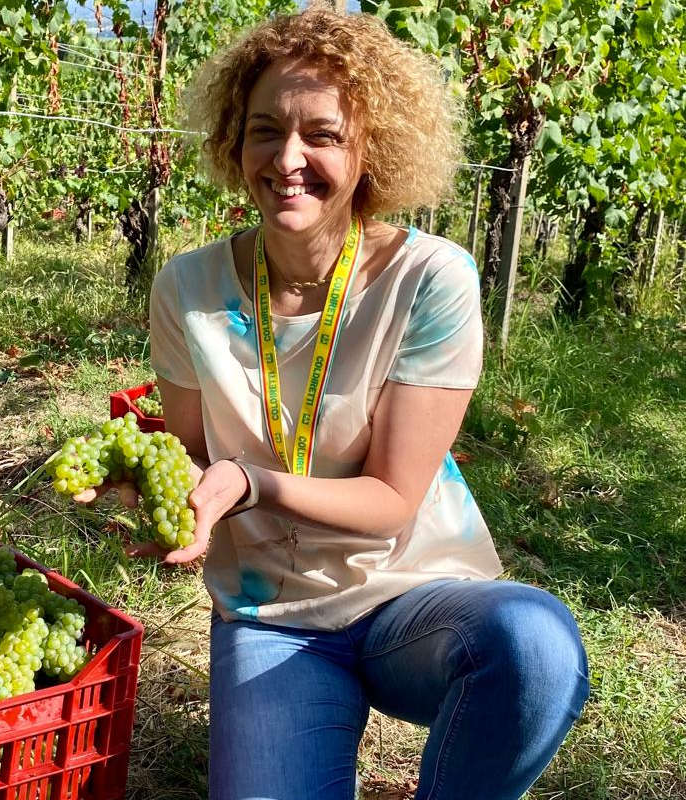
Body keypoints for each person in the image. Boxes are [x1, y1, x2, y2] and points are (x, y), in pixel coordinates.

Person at [76, 9, 589, 800]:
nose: (288, 159)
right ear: (231, 141)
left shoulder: (428, 280)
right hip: (269, 618)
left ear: (368, 151)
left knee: (536, 647)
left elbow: (390, 501)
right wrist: (153, 493)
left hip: (407, 597)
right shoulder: (187, 287)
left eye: (322, 134)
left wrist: (252, 483)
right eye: (264, 130)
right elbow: (194, 466)